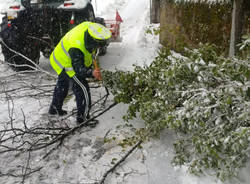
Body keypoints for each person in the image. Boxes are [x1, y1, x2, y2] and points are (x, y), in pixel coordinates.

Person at [48, 22, 111, 124]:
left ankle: (54, 109)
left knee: (63, 85)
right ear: (92, 40)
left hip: (63, 56)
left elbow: (89, 54)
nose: (98, 48)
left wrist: (92, 66)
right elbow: (78, 69)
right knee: (82, 88)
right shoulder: (76, 47)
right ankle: (83, 119)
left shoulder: (90, 28)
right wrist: (91, 73)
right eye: (98, 45)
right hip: (65, 62)